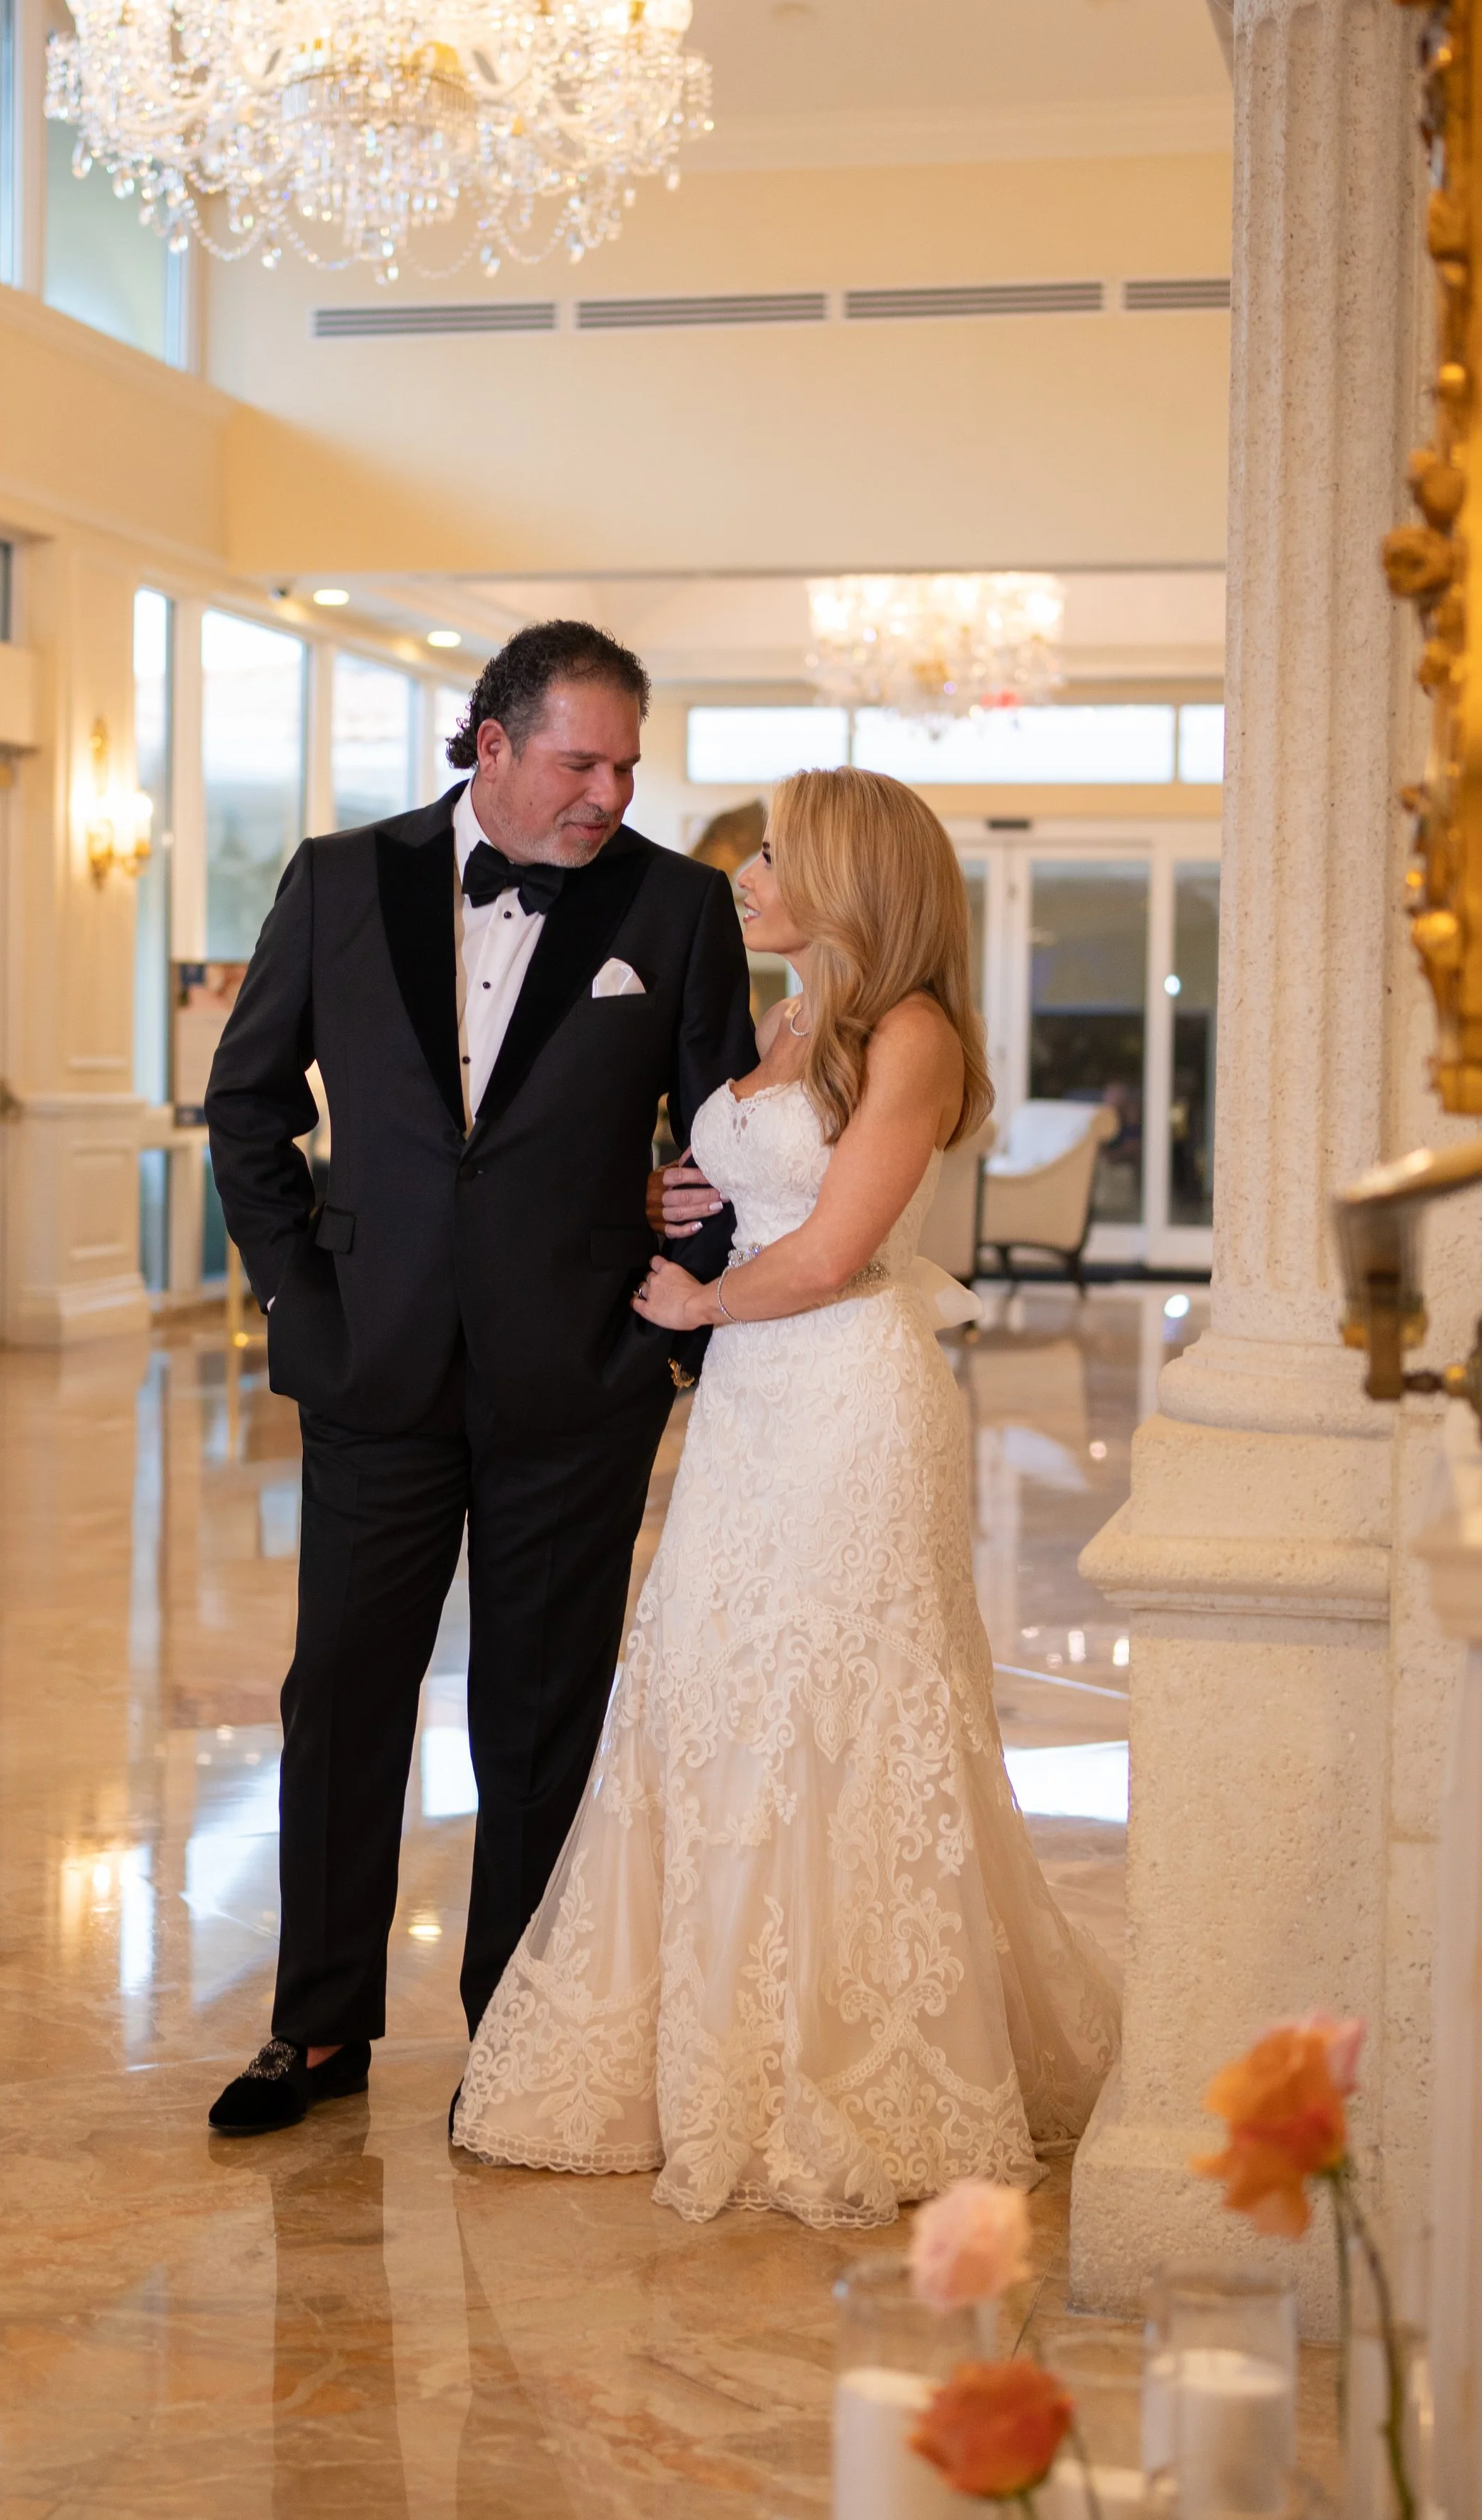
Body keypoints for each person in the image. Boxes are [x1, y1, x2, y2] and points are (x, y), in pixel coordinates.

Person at [452, 767, 1120, 2225]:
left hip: (843, 1396)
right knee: (712, 1684)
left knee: (839, 1704)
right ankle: (710, 2030)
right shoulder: (790, 1019)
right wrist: (667, 1210)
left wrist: (693, 1306)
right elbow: (744, 1190)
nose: (742, 875)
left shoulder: (914, 1036)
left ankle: (844, 2053)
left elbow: (830, 1255)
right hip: (758, 1400)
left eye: (771, 854)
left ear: (850, 876)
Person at [202, 619, 757, 2137]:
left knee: (538, 1714)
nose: (607, 791)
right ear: (492, 743)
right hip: (368, 1368)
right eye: (580, 760)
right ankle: (313, 2030)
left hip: (575, 1380)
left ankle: (518, 2034)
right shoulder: (335, 879)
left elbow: (727, 1143)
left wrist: (671, 1304)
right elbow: (244, 1109)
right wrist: (297, 1311)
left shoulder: (677, 903)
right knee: (343, 1696)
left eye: (627, 763)